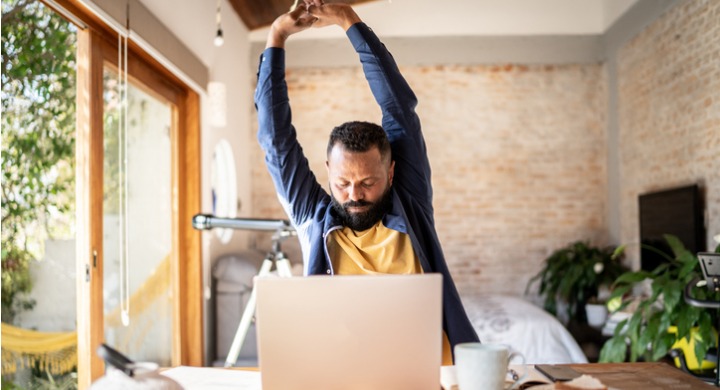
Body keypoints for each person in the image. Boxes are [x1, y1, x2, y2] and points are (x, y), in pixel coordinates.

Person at [254, 0, 479, 364]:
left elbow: (398, 108)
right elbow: (274, 139)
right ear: (327, 169)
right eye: (342, 183)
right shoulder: (312, 215)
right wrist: (276, 36)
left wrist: (349, 20)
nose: (354, 195)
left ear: (391, 173)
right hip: (342, 376)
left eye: (368, 182)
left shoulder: (410, 199)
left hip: (431, 374)